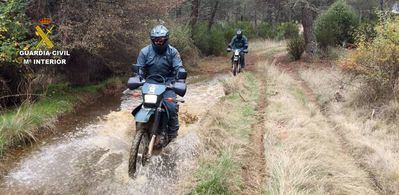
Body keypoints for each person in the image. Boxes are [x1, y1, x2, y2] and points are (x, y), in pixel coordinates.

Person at [135, 24, 186, 143]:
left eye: (161, 40)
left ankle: (173, 136)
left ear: (166, 39)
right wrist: (137, 76)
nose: (159, 42)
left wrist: (180, 79)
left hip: (168, 83)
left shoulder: (173, 52)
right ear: (152, 40)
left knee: (171, 107)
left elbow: (179, 67)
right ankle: (141, 129)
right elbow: (140, 68)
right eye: (156, 40)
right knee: (145, 105)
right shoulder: (144, 52)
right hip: (150, 83)